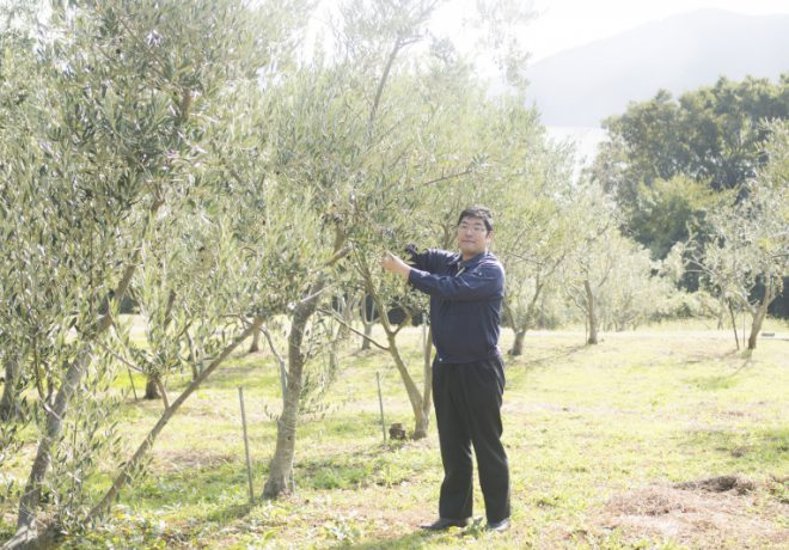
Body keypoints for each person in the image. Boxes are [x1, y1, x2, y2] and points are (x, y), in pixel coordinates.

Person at [380, 205, 511, 533]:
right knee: (452, 444)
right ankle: (454, 513)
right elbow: (423, 256)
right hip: (446, 367)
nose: (469, 232)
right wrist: (394, 239)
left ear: (489, 236)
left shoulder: (490, 270)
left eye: (477, 227)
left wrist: (407, 272)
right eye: (464, 226)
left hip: (480, 369)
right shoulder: (450, 262)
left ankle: (499, 517)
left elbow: (449, 289)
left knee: (487, 443)